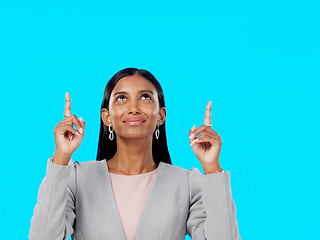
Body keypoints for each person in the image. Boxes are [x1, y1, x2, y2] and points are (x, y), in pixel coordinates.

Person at [29, 68, 241, 240]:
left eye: (145, 97)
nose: (133, 108)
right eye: (121, 98)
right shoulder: (76, 178)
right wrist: (61, 157)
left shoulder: (186, 183)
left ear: (161, 116)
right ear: (106, 117)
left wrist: (212, 167)